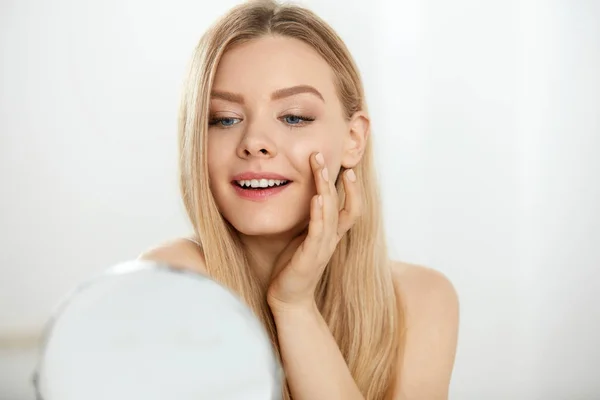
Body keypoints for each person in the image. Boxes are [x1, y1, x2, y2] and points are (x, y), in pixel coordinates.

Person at [139, 0, 459, 398]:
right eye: (223, 118)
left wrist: (295, 306)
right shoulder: (171, 282)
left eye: (294, 117)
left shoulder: (421, 298)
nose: (255, 142)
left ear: (353, 140)